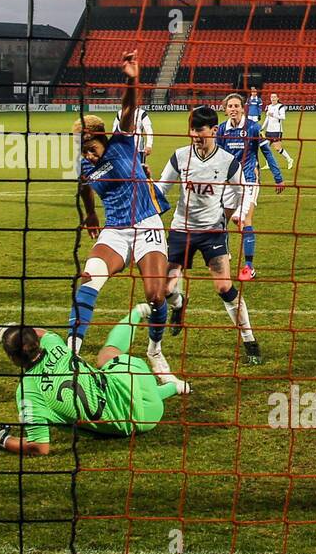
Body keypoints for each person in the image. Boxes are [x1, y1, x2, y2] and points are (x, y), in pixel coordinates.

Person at [72, 52, 178, 386]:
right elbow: (84, 187)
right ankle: (70, 356)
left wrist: (132, 79)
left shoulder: (122, 142)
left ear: (100, 136)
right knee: (88, 280)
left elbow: (129, 108)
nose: (86, 153)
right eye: (81, 148)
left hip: (147, 225)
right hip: (115, 231)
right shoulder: (86, 165)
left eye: (88, 145)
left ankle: (155, 350)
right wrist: (90, 214)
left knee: (155, 296)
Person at [0, 304, 188, 457]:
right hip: (139, 383)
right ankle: (137, 312)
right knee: (107, 356)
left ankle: (174, 387)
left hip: (142, 422)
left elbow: (40, 447)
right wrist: (13, 330)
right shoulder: (55, 343)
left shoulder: (28, 391)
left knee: (107, 367)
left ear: (12, 358)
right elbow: (41, 332)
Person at [158, 105, 261, 362]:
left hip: (213, 233)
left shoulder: (227, 162)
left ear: (214, 130)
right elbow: (161, 189)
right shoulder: (180, 157)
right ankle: (180, 305)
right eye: (192, 130)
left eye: (200, 130)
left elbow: (242, 191)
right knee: (164, 288)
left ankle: (250, 342)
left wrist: (233, 214)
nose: (195, 135)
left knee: (224, 286)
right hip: (181, 231)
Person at [217, 92, 284, 281]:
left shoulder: (253, 128)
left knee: (245, 220)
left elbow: (267, 153)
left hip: (249, 180)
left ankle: (248, 267)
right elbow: (217, 156)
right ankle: (225, 254)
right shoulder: (222, 130)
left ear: (242, 108)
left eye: (236, 106)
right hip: (229, 183)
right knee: (220, 222)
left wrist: (278, 177)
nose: (233, 109)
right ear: (225, 109)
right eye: (230, 106)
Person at [112, 103, 155, 177]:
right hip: (124, 147)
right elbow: (114, 129)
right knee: (125, 171)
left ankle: (141, 187)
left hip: (138, 148)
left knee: (140, 172)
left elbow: (149, 130)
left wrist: (149, 145)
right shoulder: (120, 113)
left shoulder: (142, 113)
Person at [263, 92, 295, 169]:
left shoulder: (280, 107)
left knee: (277, 148)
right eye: (271, 97)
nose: (273, 98)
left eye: (274, 97)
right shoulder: (269, 106)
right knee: (266, 147)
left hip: (277, 131)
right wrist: (262, 127)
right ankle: (268, 164)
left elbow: (283, 117)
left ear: (277, 98)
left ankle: (289, 159)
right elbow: (267, 118)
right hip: (269, 130)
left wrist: (273, 115)